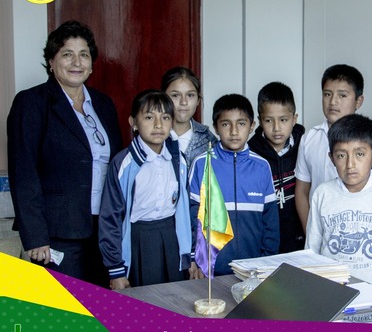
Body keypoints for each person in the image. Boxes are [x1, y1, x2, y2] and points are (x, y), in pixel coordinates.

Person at [7, 20, 122, 287]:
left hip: (104, 230)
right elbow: (23, 172)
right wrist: (36, 237)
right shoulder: (32, 103)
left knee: (104, 311)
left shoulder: (103, 104)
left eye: (84, 54)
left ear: (92, 63)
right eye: (67, 54)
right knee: (67, 312)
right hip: (58, 234)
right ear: (51, 61)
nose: (77, 62)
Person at [98, 90, 193, 290]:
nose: (158, 125)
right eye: (149, 117)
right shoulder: (124, 163)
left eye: (165, 118)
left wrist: (190, 255)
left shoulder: (179, 161)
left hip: (171, 238)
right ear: (133, 122)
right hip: (139, 240)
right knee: (146, 302)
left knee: (176, 300)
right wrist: (115, 269)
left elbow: (187, 211)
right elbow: (111, 218)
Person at [305, 114, 372, 295]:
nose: (350, 164)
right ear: (331, 158)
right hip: (330, 295)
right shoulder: (322, 194)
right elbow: (311, 251)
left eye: (360, 154)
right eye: (341, 155)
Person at [189, 94, 279, 276]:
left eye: (241, 123)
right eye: (225, 124)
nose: (234, 131)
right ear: (215, 127)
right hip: (210, 271)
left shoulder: (262, 167)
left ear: (252, 126)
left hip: (254, 270)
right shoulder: (201, 164)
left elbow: (270, 222)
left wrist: (267, 261)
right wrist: (195, 259)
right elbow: (193, 217)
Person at [295, 64, 364, 234]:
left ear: (358, 101)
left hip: (356, 229)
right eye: (327, 94)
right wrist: (310, 232)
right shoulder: (309, 138)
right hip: (317, 228)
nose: (333, 102)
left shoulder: (368, 139)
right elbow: (302, 191)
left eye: (342, 95)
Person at [248, 82, 306, 253]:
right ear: (259, 121)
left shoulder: (305, 146)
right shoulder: (251, 152)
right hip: (264, 238)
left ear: (294, 119)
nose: (276, 128)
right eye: (268, 121)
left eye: (283, 120)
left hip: (298, 235)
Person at [161, 66, 217, 168]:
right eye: (175, 95)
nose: (184, 102)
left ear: (198, 100)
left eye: (190, 95)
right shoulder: (155, 135)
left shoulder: (208, 140)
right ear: (163, 98)